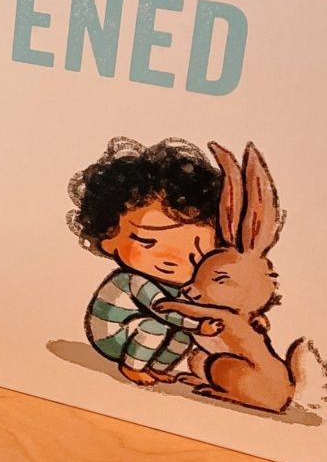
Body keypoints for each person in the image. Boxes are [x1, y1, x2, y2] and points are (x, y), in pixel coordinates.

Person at [67, 137, 223, 388]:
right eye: (148, 243)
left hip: (143, 326)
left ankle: (157, 367)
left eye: (195, 252)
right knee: (156, 327)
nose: (172, 261)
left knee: (183, 335)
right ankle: (131, 366)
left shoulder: (182, 286)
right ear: (109, 239)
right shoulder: (135, 280)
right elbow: (163, 309)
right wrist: (200, 325)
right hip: (113, 335)